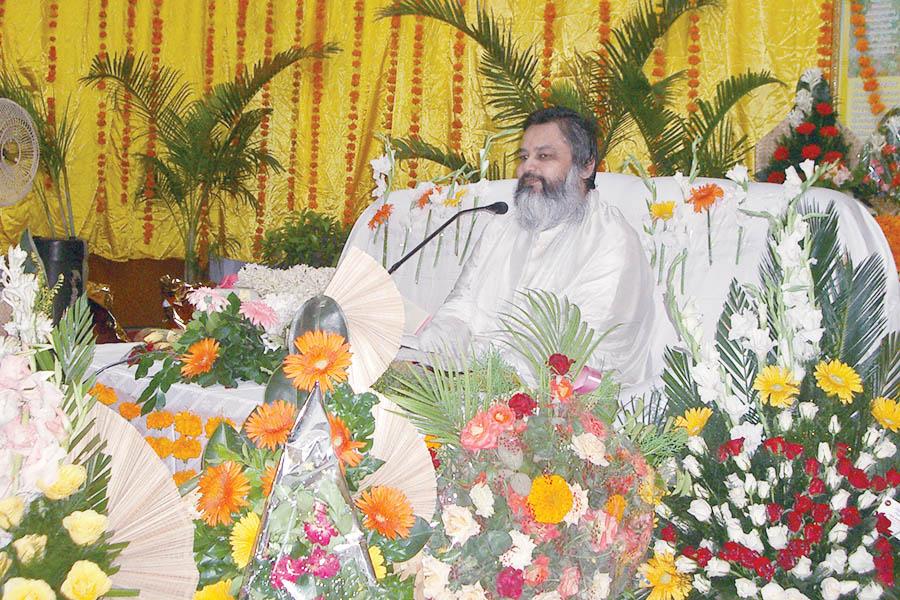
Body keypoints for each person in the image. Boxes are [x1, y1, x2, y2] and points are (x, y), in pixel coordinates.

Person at [415, 106, 658, 386]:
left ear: (586, 166)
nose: (527, 168)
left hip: (567, 410)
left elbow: (586, 354)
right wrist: (439, 343)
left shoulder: (612, 241)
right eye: (524, 157)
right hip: (471, 388)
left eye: (544, 156)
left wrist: (472, 372)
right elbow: (461, 306)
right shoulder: (502, 227)